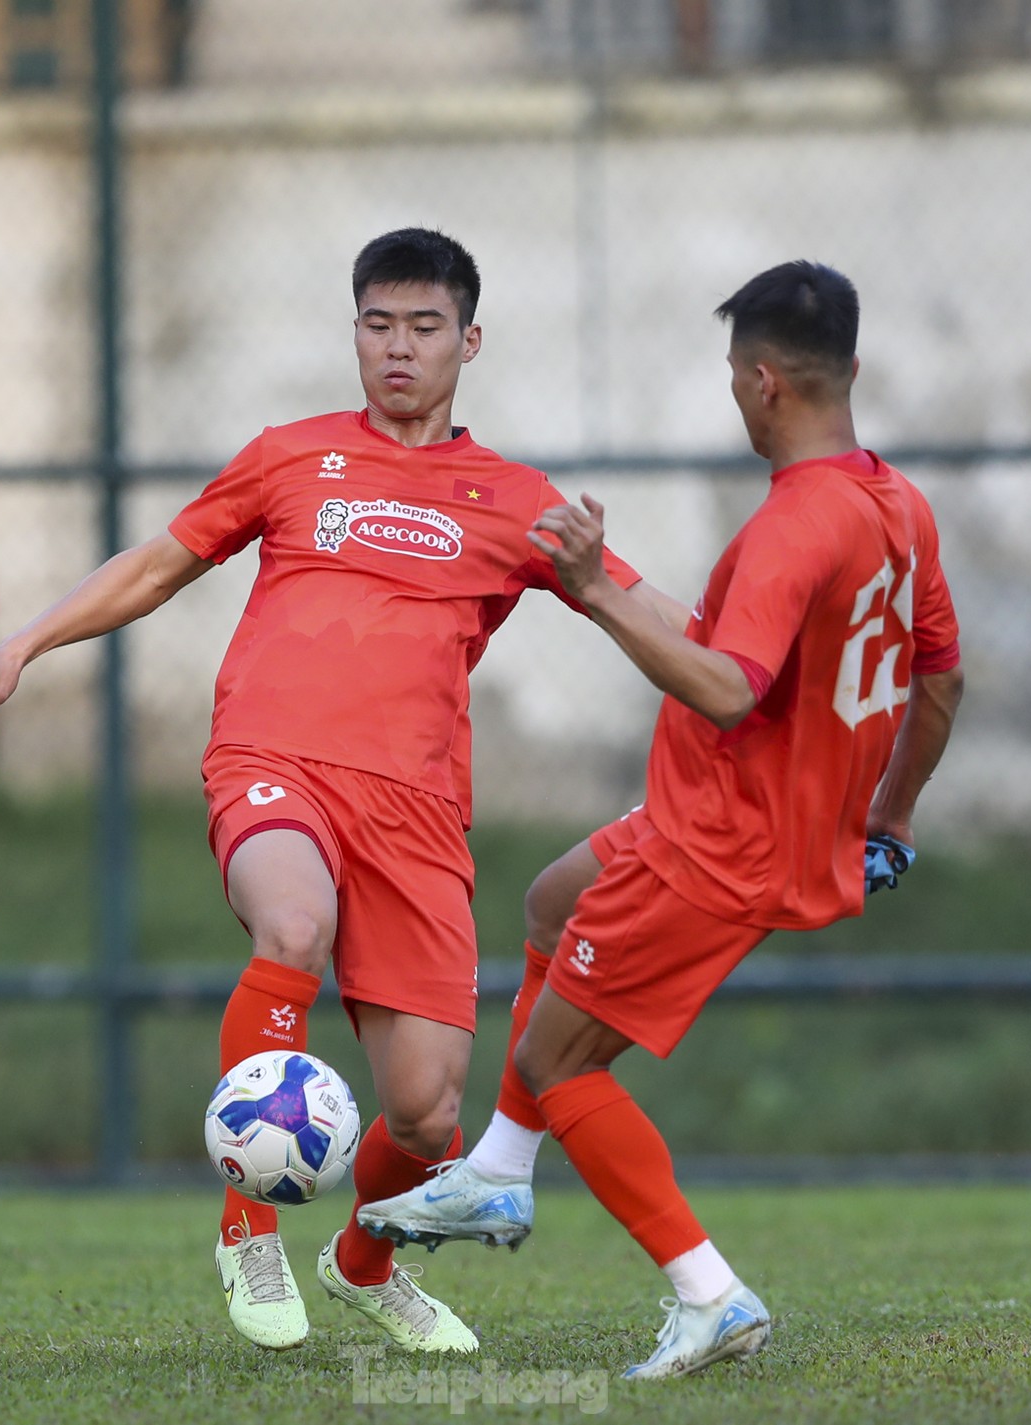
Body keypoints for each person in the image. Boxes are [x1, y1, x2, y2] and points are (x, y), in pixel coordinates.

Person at [0, 227, 686, 1354]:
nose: (398, 348)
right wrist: (26, 642)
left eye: (423, 327)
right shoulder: (289, 457)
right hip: (274, 759)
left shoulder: (515, 501)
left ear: (470, 340)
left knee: (426, 1113)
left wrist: (758, 688)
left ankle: (361, 1265)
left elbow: (662, 623)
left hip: (412, 811)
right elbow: (159, 566)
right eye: (377, 323)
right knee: (294, 922)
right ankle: (246, 1228)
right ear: (353, 330)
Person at [362, 260, 963, 1378]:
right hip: (746, 818)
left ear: (763, 381)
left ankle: (709, 1292)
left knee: (558, 1068)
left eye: (735, 377)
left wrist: (593, 594)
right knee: (550, 899)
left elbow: (726, 688)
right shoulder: (895, 503)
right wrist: (890, 819)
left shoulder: (797, 523)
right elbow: (938, 678)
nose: (734, 394)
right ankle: (496, 1171)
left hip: (719, 842)